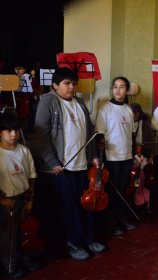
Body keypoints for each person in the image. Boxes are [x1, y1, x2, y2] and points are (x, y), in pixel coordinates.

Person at [34, 67, 105, 261]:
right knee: (69, 207)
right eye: (66, 83)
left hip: (82, 164)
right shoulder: (48, 101)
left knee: (87, 204)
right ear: (55, 85)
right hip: (62, 168)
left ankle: (89, 239)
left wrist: (93, 156)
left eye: (73, 83)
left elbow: (89, 134)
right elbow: (41, 136)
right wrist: (52, 162)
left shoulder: (80, 102)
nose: (71, 87)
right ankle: (74, 243)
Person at [0, 112, 40, 278]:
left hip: (23, 198)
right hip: (6, 202)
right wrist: (2, 199)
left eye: (16, 130)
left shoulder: (24, 151)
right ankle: (10, 265)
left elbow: (31, 176)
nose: (13, 134)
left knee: (23, 233)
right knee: (7, 237)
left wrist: (30, 198)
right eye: (8, 131)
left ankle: (24, 259)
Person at [95, 76, 137, 236]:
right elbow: (100, 135)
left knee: (122, 190)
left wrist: (134, 154)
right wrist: (101, 158)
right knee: (112, 192)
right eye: (115, 87)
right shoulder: (105, 108)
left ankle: (122, 218)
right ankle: (111, 222)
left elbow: (131, 134)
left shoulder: (128, 109)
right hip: (112, 158)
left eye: (122, 87)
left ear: (127, 90)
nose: (118, 90)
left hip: (126, 157)